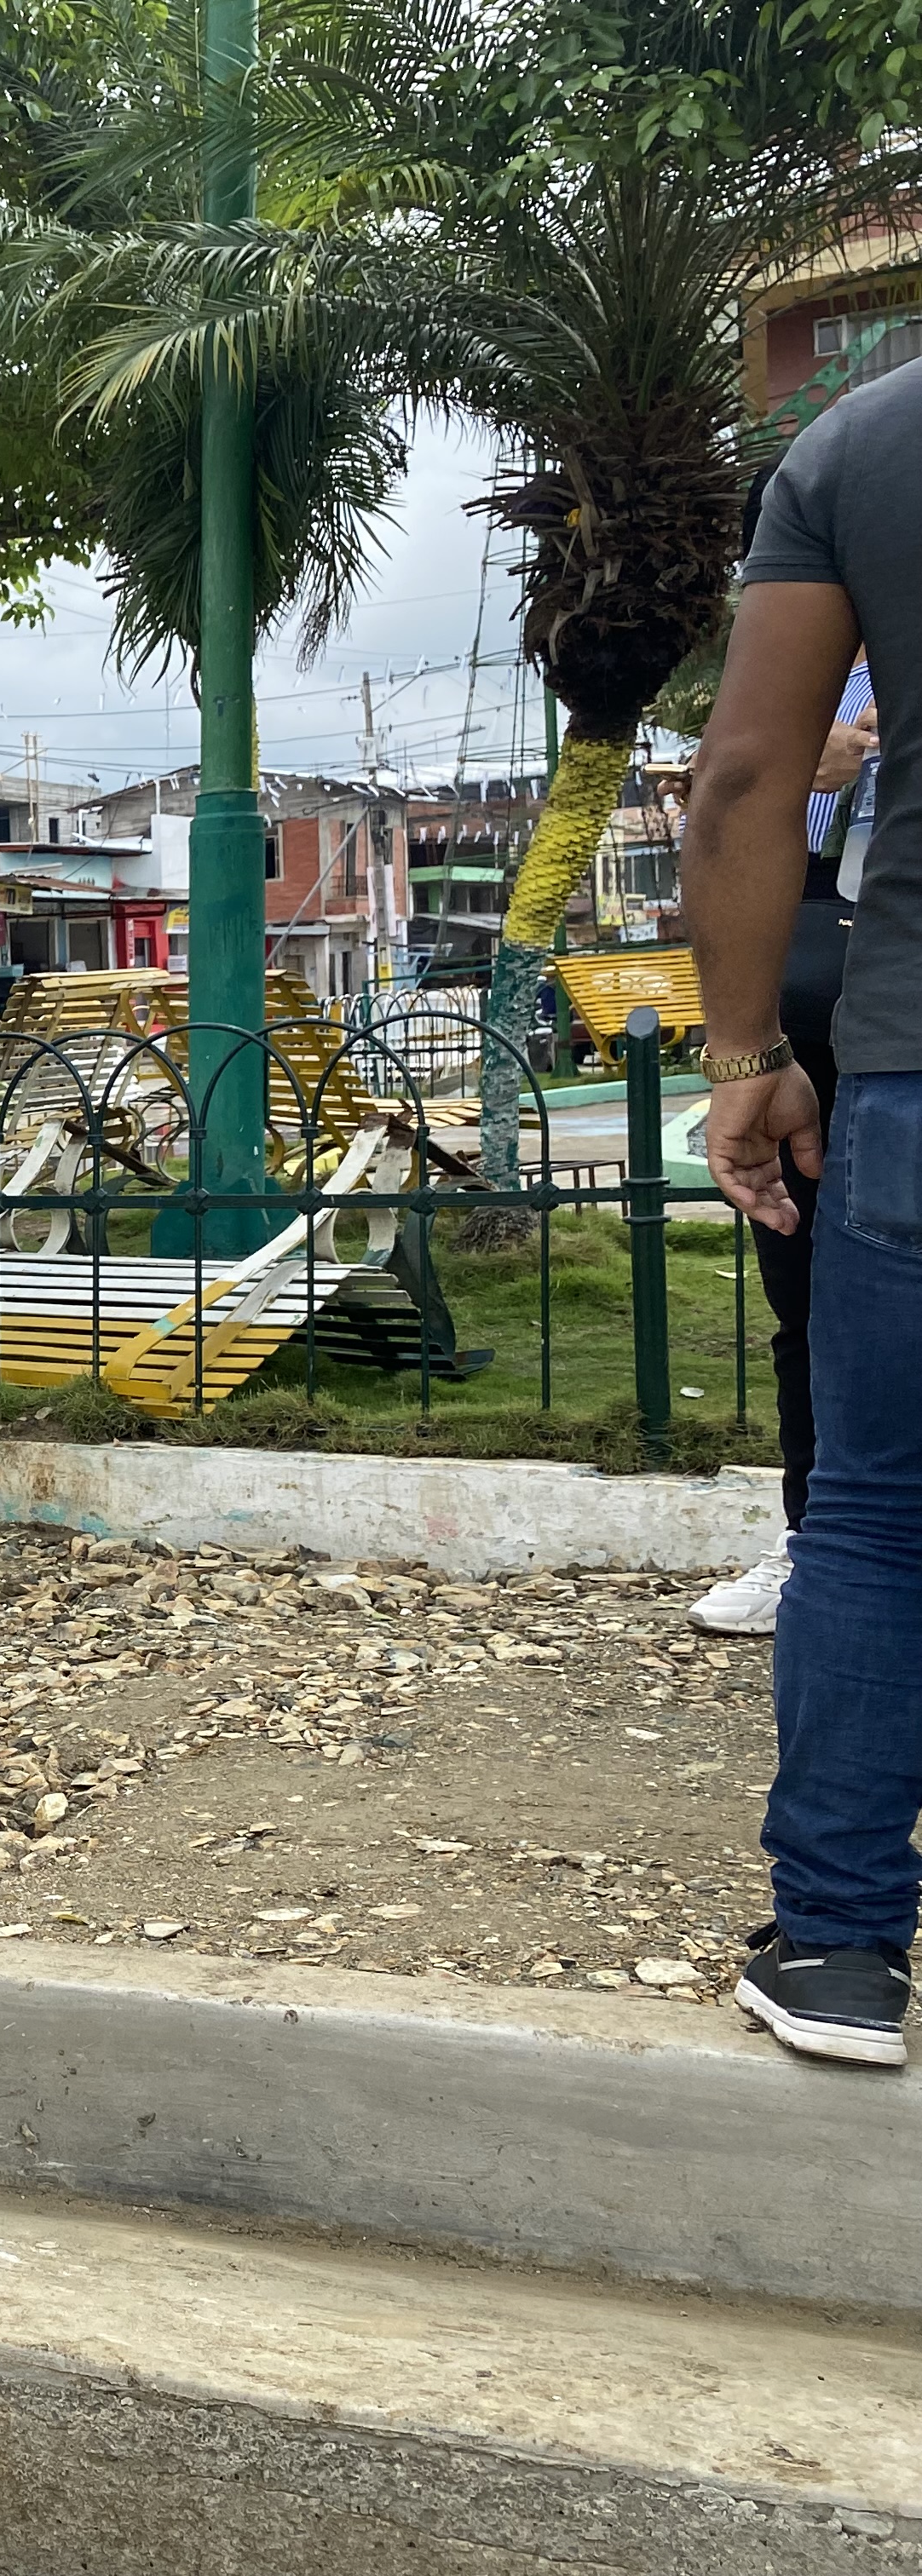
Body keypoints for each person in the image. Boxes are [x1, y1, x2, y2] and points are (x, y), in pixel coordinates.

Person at [682, 359, 922, 2068]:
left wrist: (747, 1049)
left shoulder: (864, 443)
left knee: (876, 1513)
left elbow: (745, 777)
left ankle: (838, 1947)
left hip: (912, 1066)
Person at [688, 635, 870, 1635]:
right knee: (806, 1296)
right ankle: (813, 1537)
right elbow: (723, 811)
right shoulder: (807, 667)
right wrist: (810, 766)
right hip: (804, 1018)